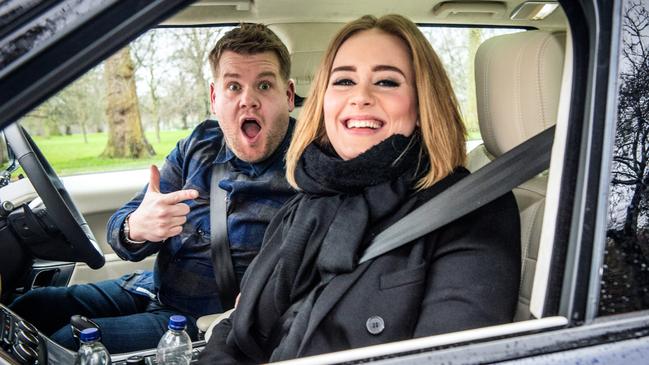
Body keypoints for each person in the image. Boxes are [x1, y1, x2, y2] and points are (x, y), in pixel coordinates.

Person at [197, 14, 521, 363]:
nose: (360, 97)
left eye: (386, 82)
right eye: (344, 81)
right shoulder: (306, 202)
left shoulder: (470, 210)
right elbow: (236, 328)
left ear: (422, 102)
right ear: (323, 101)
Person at [9, 23, 297, 353]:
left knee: (66, 345)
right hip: (150, 287)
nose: (248, 100)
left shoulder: (309, 169)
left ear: (287, 96)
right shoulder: (201, 143)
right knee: (29, 307)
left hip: (203, 321)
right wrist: (138, 228)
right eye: (233, 86)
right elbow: (124, 226)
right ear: (215, 97)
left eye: (264, 85)